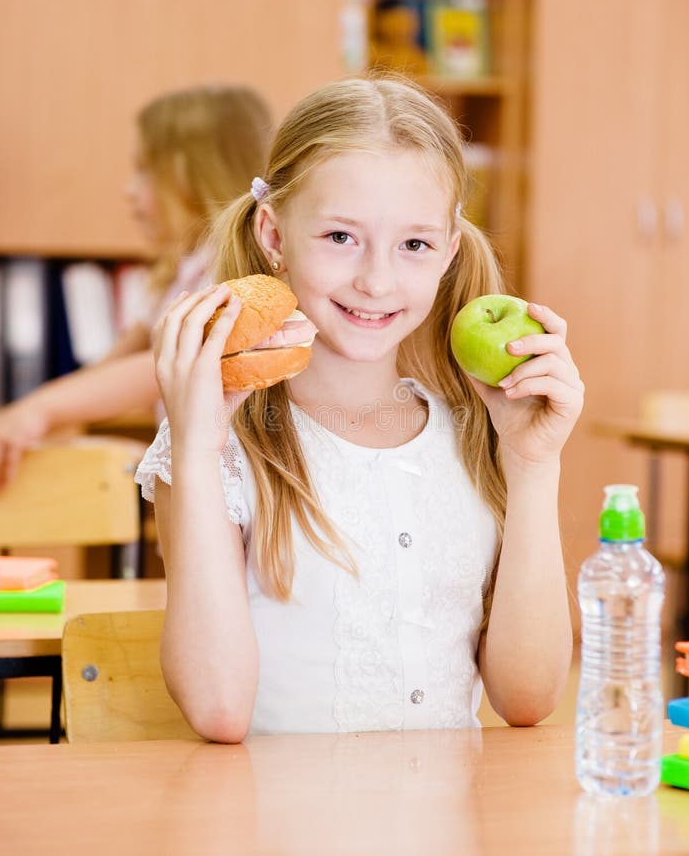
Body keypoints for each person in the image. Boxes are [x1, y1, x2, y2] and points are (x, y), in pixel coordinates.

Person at [136, 77, 585, 742]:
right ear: (273, 234)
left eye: (414, 245)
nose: (377, 280)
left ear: (448, 253)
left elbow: (528, 697)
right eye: (340, 237)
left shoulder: (478, 434)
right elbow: (217, 709)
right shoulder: (214, 447)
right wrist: (199, 451)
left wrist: (532, 463)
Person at [0, 85, 272, 489]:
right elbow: (114, 366)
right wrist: (34, 414)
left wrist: (41, 411)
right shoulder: (178, 273)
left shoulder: (232, 264)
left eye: (145, 171)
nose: (129, 191)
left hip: (231, 483)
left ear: (193, 174)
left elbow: (165, 365)